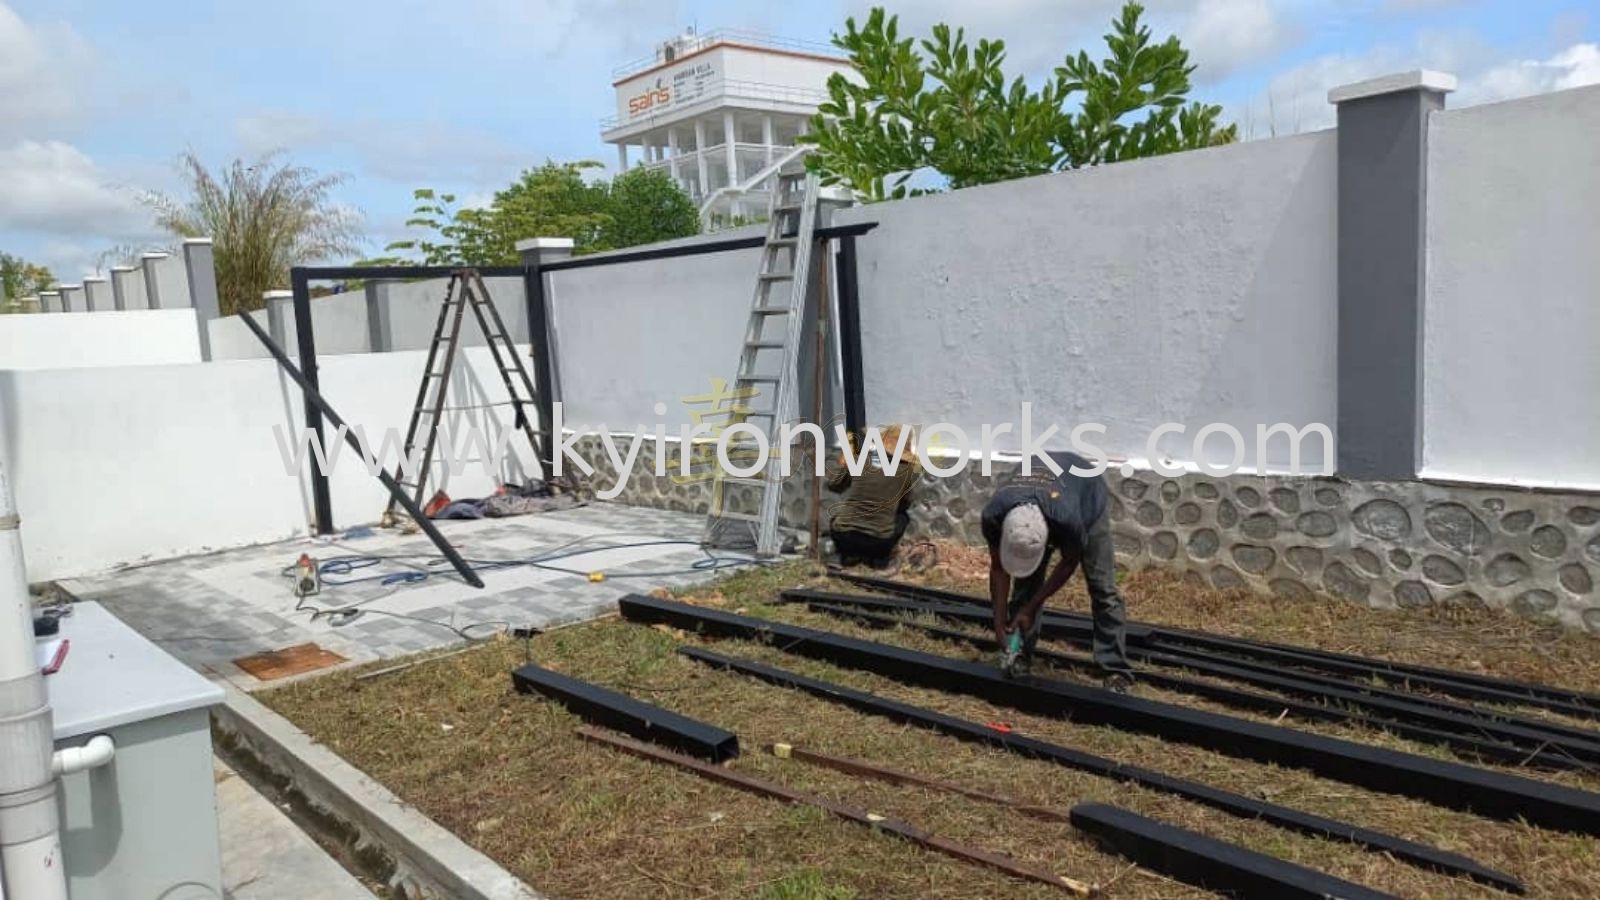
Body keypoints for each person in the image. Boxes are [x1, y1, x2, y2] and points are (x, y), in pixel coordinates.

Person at [981, 450, 1135, 693]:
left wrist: (1031, 608)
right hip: (1046, 490)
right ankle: (1018, 653)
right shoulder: (993, 515)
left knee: (1102, 587)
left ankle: (1115, 669)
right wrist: (999, 621)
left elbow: (1068, 563)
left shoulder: (1068, 521)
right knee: (1026, 584)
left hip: (1085, 491)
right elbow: (999, 568)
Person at [825, 424, 919, 569]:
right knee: (903, 517)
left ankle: (845, 554)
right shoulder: (906, 471)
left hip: (844, 538)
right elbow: (906, 504)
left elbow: (834, 486)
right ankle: (880, 558)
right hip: (878, 543)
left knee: (837, 517)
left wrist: (844, 465)